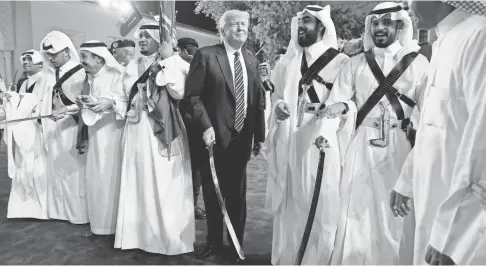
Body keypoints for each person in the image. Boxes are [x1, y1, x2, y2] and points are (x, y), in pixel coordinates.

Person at [316, 2, 430, 264]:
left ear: (399, 25)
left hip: (400, 151)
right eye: (375, 23)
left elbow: (428, 113)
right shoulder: (356, 63)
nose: (380, 28)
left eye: (386, 23)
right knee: (355, 213)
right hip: (360, 149)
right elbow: (341, 99)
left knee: (393, 218)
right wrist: (330, 125)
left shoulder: (419, 64)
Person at [391, 1, 486, 264]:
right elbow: (428, 126)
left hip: (461, 225)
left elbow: (482, 139)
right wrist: (406, 180)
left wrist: (454, 237)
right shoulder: (445, 41)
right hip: (431, 196)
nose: (408, 6)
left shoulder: (479, 36)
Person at [264, 5, 350, 265]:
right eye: (300, 22)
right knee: (292, 203)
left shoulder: (340, 61)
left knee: (320, 203)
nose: (301, 27)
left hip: (320, 146)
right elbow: (277, 95)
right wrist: (277, 107)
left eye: (308, 22)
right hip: (290, 143)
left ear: (322, 27)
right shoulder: (287, 61)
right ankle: (288, 258)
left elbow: (346, 101)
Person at [183, 10, 265, 262]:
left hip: (241, 139)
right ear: (223, 30)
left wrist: (259, 135)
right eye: (235, 24)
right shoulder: (206, 55)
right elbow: (191, 98)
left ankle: (236, 244)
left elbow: (257, 101)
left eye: (245, 24)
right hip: (212, 139)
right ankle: (214, 243)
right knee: (212, 193)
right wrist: (205, 126)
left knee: (237, 195)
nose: (241, 28)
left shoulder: (250, 59)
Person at [113, 23, 195, 255]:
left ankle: (166, 238)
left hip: (163, 132)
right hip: (135, 132)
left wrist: (167, 62)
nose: (141, 40)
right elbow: (123, 97)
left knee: (163, 183)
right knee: (138, 180)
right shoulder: (131, 65)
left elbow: (179, 92)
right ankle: (137, 236)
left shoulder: (177, 63)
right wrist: (110, 103)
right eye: (139, 36)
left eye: (147, 36)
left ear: (161, 40)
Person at [38, 31, 88, 224]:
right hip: (57, 129)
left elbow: (85, 103)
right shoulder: (51, 74)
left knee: (74, 172)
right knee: (58, 169)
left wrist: (67, 110)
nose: (51, 59)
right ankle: (60, 211)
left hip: (74, 129)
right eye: (48, 56)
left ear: (67, 52)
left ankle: (78, 214)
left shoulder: (80, 71)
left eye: (54, 54)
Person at [76, 40, 126, 235]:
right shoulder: (90, 78)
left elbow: (127, 101)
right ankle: (98, 225)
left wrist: (111, 102)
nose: (82, 62)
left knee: (110, 180)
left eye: (85, 57)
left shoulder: (117, 74)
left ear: (98, 57)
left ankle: (113, 227)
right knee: (96, 180)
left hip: (113, 137)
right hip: (95, 137)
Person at [4, 49, 49, 219]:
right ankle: (23, 207)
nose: (25, 62)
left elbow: (43, 105)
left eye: (29, 59)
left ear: (40, 63)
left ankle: (41, 208)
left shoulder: (46, 81)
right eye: (23, 60)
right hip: (22, 131)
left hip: (37, 131)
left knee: (37, 165)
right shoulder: (23, 83)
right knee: (22, 166)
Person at [177, 37, 206, 220]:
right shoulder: (172, 66)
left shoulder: (196, 68)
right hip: (183, 124)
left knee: (194, 168)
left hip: (192, 125)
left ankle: (192, 204)